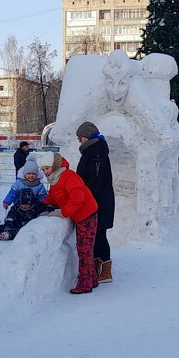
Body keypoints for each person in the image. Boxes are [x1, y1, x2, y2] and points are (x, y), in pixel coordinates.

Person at [40, 151, 100, 294]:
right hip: (80, 217)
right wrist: (40, 204)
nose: (45, 172)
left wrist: (63, 212)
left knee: (84, 250)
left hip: (87, 215)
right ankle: (93, 279)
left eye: (47, 168)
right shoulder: (55, 179)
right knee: (85, 248)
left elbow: (77, 198)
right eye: (43, 169)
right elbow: (54, 197)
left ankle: (85, 284)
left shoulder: (69, 176)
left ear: (54, 166)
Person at [75, 121, 115, 284]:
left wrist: (86, 197)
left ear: (87, 136)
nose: (79, 141)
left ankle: (105, 272)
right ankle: (98, 268)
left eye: (80, 137)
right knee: (97, 235)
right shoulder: (93, 150)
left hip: (99, 201)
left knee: (100, 234)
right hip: (97, 199)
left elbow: (95, 178)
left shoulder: (96, 151)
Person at [0, 159, 53, 241]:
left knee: (22, 228)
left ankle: (8, 235)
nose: (31, 176)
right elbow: (12, 193)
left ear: (37, 174)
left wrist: (45, 207)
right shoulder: (19, 183)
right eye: (29, 173)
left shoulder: (39, 186)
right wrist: (7, 202)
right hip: (18, 207)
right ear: (25, 174)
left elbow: (43, 198)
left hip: (32, 210)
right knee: (7, 225)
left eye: (33, 174)